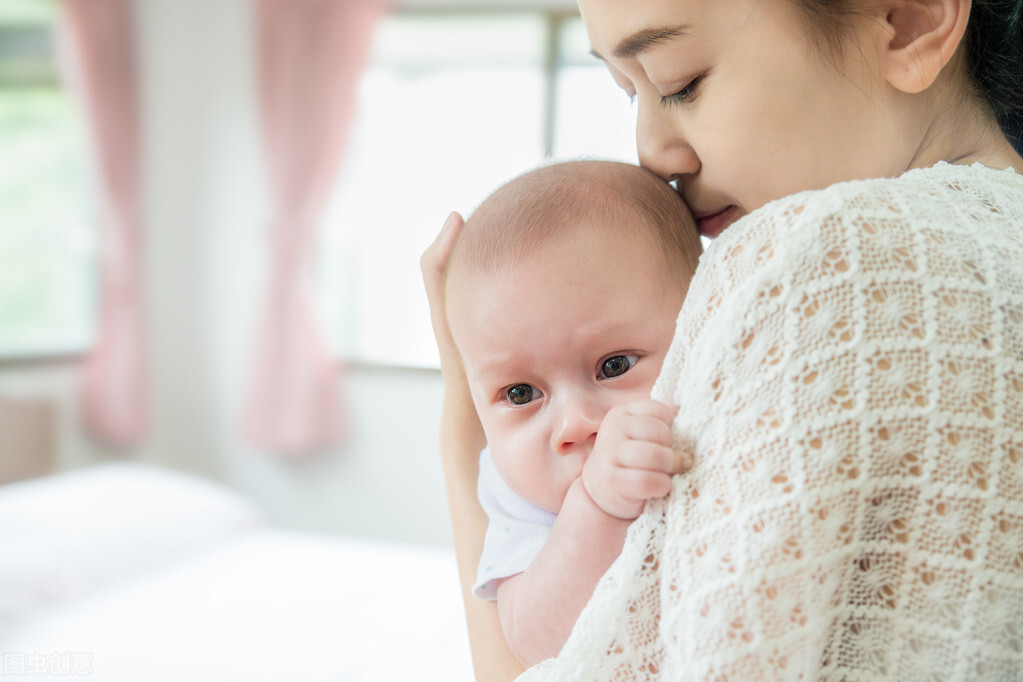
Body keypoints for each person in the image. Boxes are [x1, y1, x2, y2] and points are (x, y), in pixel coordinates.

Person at [421, 0, 1023, 679]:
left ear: (908, 19)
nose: (650, 150)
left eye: (679, 81)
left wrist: (459, 424)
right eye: (628, 95)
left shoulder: (823, 256)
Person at [444, 160, 703, 667]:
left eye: (614, 365)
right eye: (520, 394)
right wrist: (597, 507)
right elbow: (535, 642)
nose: (576, 423)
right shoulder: (519, 498)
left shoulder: (716, 408)